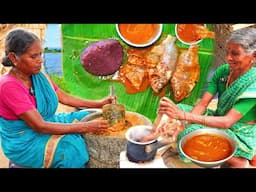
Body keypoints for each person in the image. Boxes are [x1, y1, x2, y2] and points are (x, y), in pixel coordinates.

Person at [0, 28, 116, 168]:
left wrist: (99, 104)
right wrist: (85, 127)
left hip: (48, 121)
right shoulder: (8, 86)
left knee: (92, 115)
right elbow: (40, 126)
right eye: (33, 56)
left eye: (41, 55)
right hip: (25, 141)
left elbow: (63, 97)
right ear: (13, 58)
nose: (40, 61)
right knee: (71, 151)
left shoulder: (37, 75)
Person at [156, 27, 256, 168]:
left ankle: (238, 160)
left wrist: (185, 119)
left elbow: (227, 122)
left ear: (254, 56)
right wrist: (182, 121)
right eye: (227, 52)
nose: (228, 58)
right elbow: (203, 104)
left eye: (235, 54)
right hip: (218, 117)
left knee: (188, 132)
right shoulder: (223, 72)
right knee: (178, 111)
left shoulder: (253, 85)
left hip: (240, 133)